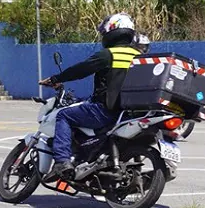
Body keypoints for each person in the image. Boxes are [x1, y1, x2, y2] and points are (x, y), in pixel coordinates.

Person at [39, 13, 150, 179]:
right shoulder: (139, 56)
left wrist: (56, 79)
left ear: (111, 32)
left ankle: (62, 161)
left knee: (64, 115)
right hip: (129, 112)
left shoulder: (109, 54)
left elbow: (82, 69)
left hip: (105, 111)